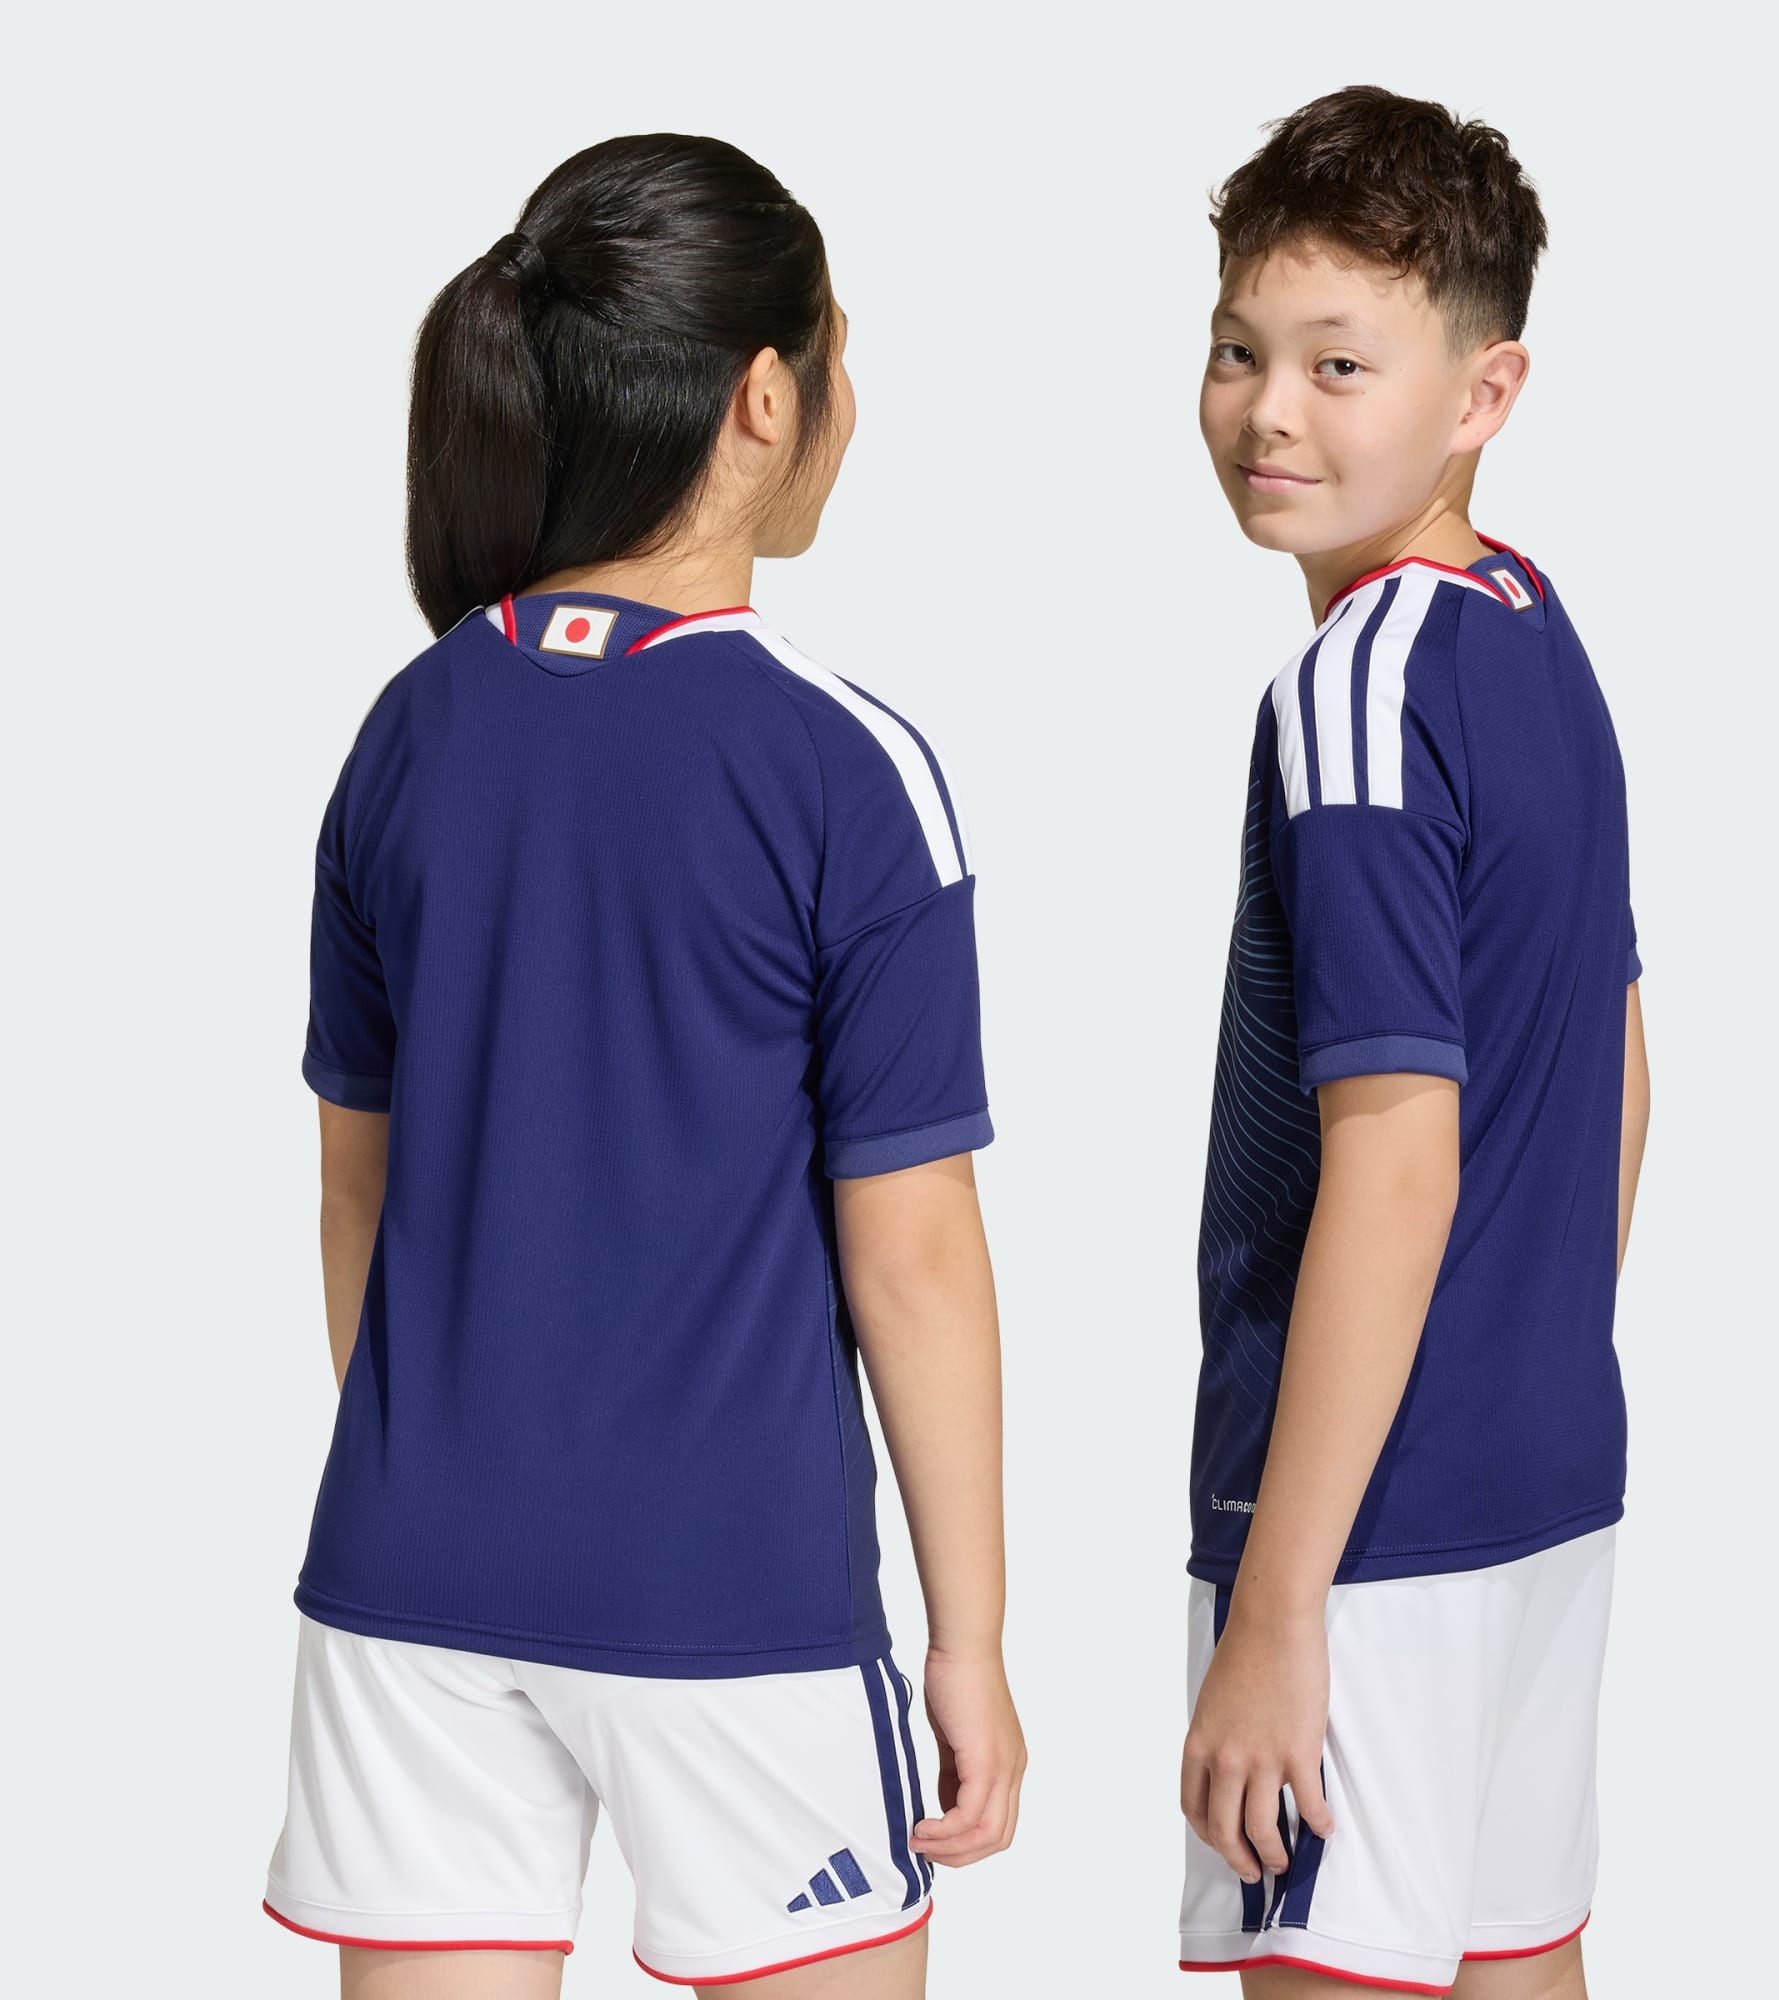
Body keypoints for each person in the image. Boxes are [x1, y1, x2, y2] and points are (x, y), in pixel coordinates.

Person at [263, 134, 1024, 1999]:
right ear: (766, 397)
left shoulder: (407, 728)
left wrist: (475, 1470)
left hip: (412, 1581)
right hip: (733, 1597)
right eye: (840, 356)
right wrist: (971, 1643)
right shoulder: (843, 765)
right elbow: (915, 1251)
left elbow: (358, 1189)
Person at [1177, 88, 1649, 1999]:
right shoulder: (1526, 627)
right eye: (1238, 351)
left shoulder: (1356, 685)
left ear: (1484, 391)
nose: (1269, 414)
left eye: (1339, 365)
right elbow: (1622, 1060)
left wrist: (1278, 1601)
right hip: (1538, 1474)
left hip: (1367, 1520)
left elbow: (1391, 1152)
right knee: (1517, 1961)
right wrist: (1530, 1350)